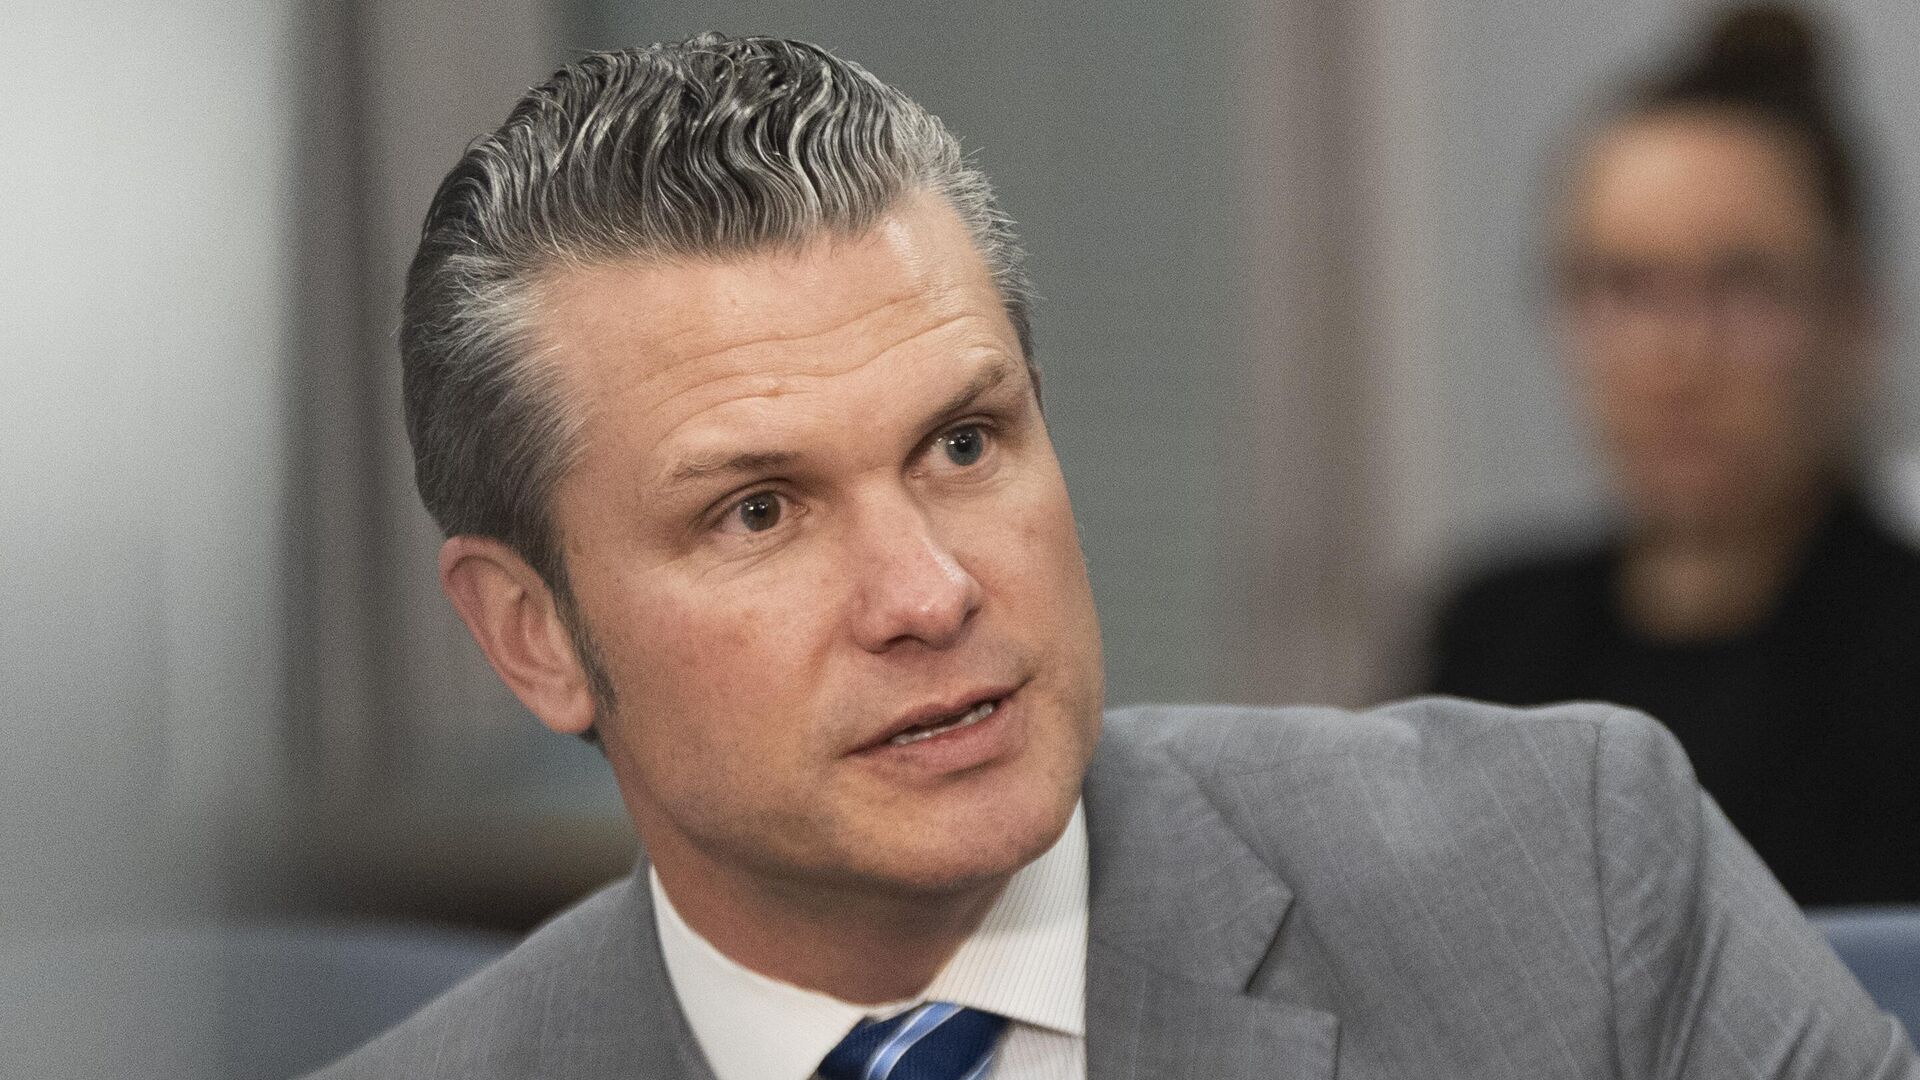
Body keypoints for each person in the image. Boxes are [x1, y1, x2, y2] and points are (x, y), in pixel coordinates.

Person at [310, 33, 1917, 1080]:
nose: (931, 592)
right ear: (530, 634)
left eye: (963, 442)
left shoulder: (1573, 883)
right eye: (759, 512)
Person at [1427, 3, 1920, 907]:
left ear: (1854, 315)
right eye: (1625, 286)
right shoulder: (1489, 643)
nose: (1675, 358)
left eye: (1743, 286)